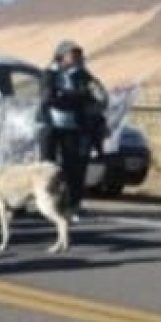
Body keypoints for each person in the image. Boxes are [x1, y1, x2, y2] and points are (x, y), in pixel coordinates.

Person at [39, 41, 108, 221]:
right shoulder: (50, 73)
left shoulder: (82, 75)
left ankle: (72, 205)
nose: (76, 58)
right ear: (61, 55)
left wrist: (71, 96)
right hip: (51, 127)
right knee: (47, 168)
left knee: (73, 169)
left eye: (78, 55)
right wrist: (76, 96)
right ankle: (46, 204)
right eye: (72, 54)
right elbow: (49, 98)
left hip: (73, 127)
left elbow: (98, 95)